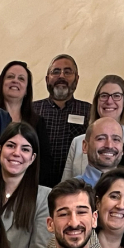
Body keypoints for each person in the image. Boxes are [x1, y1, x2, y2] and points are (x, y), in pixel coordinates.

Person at [0, 122, 51, 248]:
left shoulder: (44, 197)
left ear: (32, 158)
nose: (16, 153)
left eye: (25, 149)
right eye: (11, 146)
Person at [31, 54, 89, 187]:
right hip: (35, 187)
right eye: (56, 72)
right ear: (47, 79)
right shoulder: (31, 110)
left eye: (68, 72)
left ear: (77, 79)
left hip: (74, 187)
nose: (61, 76)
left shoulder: (88, 112)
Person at [64, 76, 124, 181]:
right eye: (104, 96)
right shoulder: (77, 142)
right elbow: (65, 185)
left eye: (116, 96)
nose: (109, 101)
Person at [74, 117, 124, 186]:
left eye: (116, 139)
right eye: (101, 138)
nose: (109, 145)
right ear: (85, 146)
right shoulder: (70, 191)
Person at [0, 60, 38, 130]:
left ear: (27, 90)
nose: (15, 81)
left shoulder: (37, 122)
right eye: (10, 76)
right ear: (1, 83)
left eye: (21, 78)